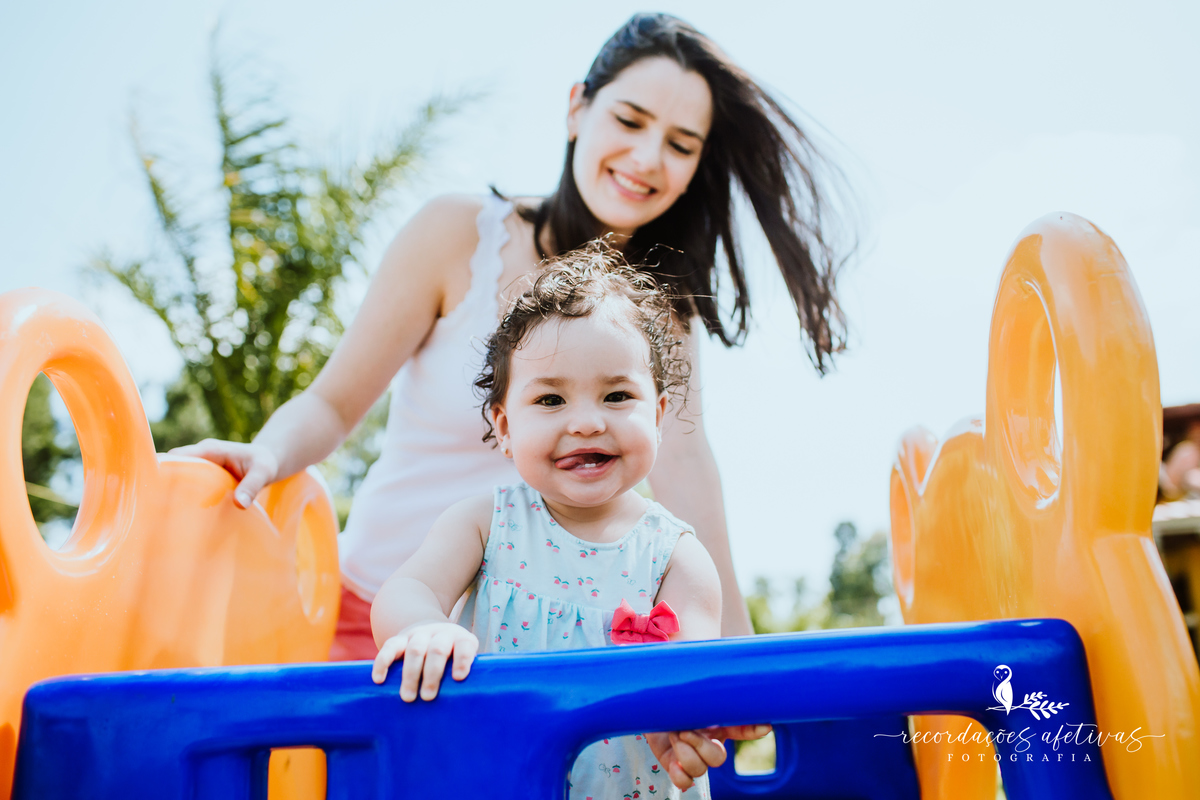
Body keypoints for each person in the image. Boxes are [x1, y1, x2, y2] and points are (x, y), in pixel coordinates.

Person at [174, 12, 853, 654]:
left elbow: (685, 466)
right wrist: (267, 455)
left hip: (538, 660)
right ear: (577, 109)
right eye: (629, 119)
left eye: (680, 145)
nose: (647, 158)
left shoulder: (662, 311)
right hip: (377, 622)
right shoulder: (457, 235)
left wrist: (734, 651)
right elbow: (331, 404)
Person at [369, 247, 766, 797]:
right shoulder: (486, 523)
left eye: (617, 395)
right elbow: (407, 588)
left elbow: (691, 672)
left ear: (656, 416)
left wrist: (690, 724)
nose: (585, 421)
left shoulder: (676, 556)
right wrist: (422, 628)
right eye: (552, 398)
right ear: (505, 427)